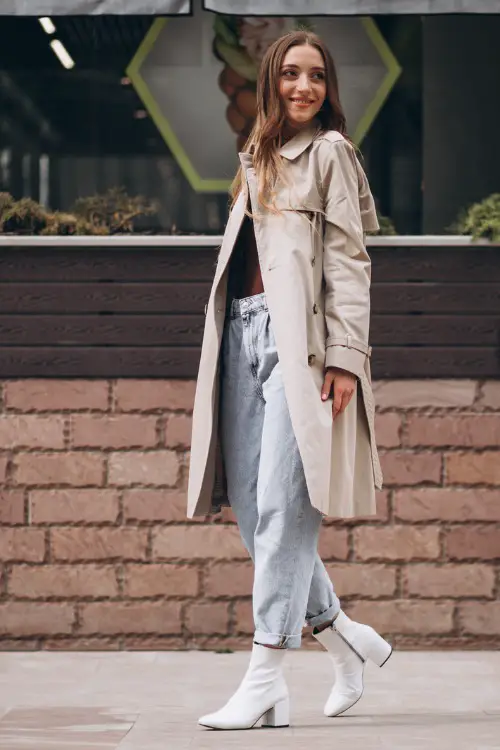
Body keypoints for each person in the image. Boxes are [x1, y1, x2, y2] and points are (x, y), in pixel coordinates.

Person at [187, 29, 391, 731]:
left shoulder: (331, 153)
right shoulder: (257, 157)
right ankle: (341, 636)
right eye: (291, 75)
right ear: (270, 80)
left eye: (317, 77)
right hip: (242, 335)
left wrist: (346, 357)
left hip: (299, 347)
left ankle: (266, 671)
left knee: (282, 508)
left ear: (328, 89)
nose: (304, 88)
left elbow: (350, 261)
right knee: (253, 509)